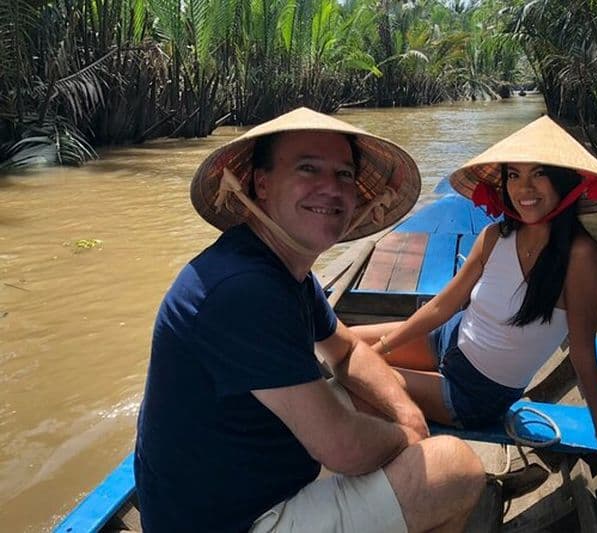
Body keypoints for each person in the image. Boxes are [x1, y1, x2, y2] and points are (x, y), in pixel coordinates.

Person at [134, 107, 486, 533]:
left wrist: (405, 415)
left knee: (368, 397)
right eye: (308, 169)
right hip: (234, 521)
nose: (330, 188)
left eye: (343, 175)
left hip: (245, 485)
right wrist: (406, 439)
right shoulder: (243, 288)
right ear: (261, 184)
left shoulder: (280, 269)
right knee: (458, 467)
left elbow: (348, 349)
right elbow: (340, 448)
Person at [352, 115, 597, 473]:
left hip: (473, 395)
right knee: (341, 344)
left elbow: (581, 353)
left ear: (565, 182)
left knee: (355, 382)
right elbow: (441, 307)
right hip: (446, 340)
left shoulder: (583, 259)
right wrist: (380, 349)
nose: (523, 189)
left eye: (538, 174)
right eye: (514, 175)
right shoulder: (494, 236)